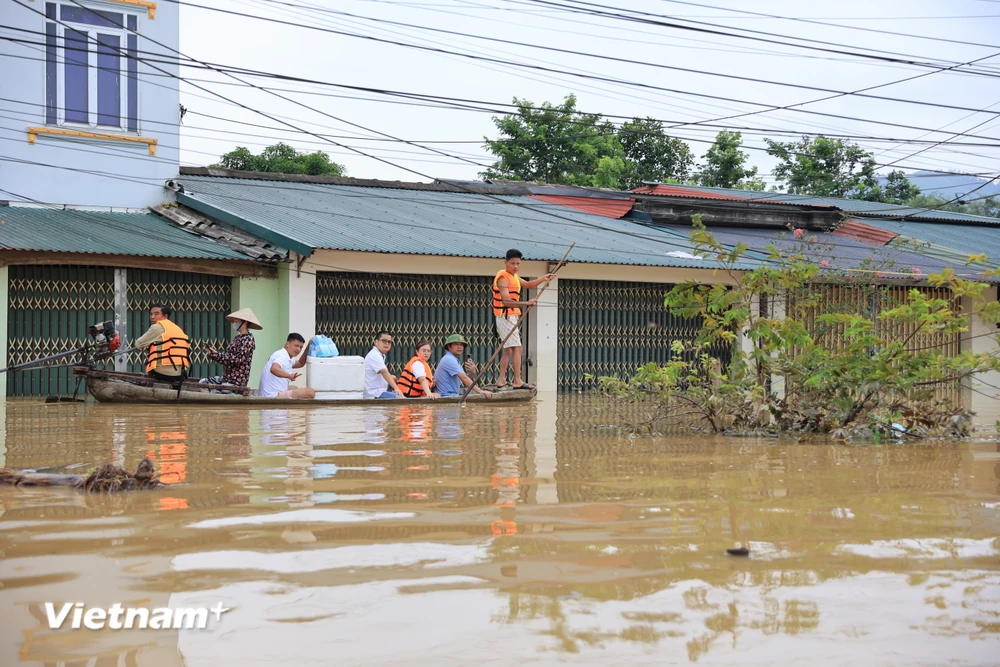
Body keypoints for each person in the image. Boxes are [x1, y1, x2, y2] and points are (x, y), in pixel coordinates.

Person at [492, 249, 556, 391]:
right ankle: (517, 380)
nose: (515, 266)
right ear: (505, 262)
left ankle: (501, 380)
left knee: (508, 350)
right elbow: (507, 301)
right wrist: (527, 303)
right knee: (517, 348)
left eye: (518, 264)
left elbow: (527, 284)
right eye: (513, 263)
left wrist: (543, 278)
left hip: (511, 316)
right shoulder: (503, 277)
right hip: (505, 315)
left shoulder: (514, 276)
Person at [200, 307, 260, 389]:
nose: (234, 323)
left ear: (245, 322)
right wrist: (214, 353)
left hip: (236, 381)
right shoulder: (237, 338)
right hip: (227, 378)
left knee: (215, 392)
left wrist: (216, 355)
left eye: (236, 321)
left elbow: (235, 360)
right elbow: (228, 356)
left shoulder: (248, 339)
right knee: (203, 382)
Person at [134, 303, 191, 382]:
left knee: (148, 371)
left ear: (165, 316)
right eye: (151, 314)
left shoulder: (157, 327)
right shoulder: (176, 327)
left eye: (156, 314)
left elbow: (138, 344)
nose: (152, 317)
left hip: (163, 373)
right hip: (180, 373)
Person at [258, 333, 316, 399]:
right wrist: (289, 376)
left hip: (268, 394)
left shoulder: (287, 357)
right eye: (296, 346)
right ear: (287, 344)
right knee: (310, 392)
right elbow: (274, 369)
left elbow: (300, 363)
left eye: (301, 347)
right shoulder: (282, 356)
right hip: (272, 396)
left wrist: (308, 346)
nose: (298, 349)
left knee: (295, 388)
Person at [434, 334, 493, 399]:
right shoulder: (449, 359)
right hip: (446, 395)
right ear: (449, 346)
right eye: (456, 344)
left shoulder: (453, 359)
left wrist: (472, 373)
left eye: (461, 345)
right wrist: (480, 391)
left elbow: (464, 380)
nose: (459, 347)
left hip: (452, 394)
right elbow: (464, 378)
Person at [364, 331, 405, 399]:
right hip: (374, 393)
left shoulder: (380, 354)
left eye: (389, 342)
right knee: (399, 398)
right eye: (384, 341)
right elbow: (384, 372)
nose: (387, 343)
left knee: (393, 378)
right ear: (376, 342)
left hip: (380, 388)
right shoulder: (374, 355)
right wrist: (396, 389)